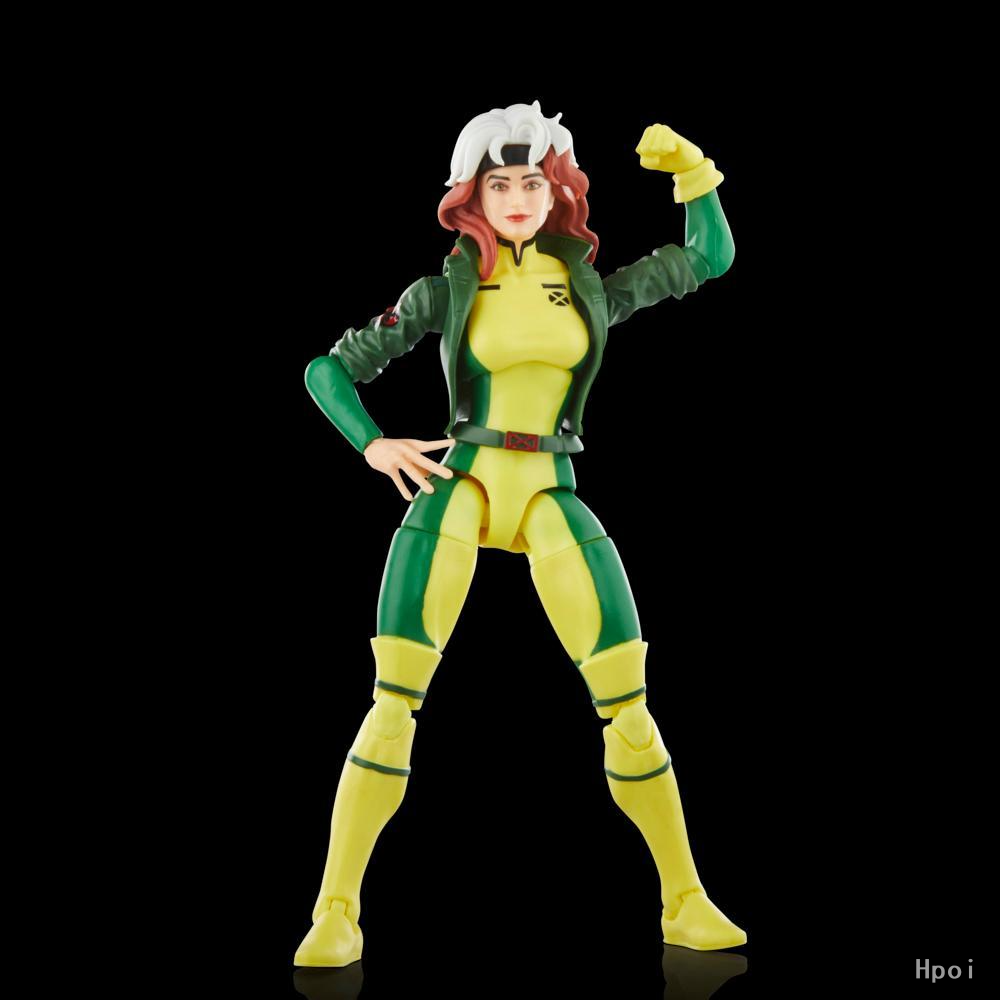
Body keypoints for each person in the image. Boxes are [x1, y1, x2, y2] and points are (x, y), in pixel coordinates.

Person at [297, 101, 744, 967]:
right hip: (461, 487)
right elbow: (329, 368)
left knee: (628, 703)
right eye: (498, 183)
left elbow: (706, 258)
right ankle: (335, 910)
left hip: (549, 491)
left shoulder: (588, 286)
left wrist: (696, 173)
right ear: (470, 195)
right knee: (392, 705)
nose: (516, 198)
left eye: (531, 182)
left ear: (556, 191)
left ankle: (684, 901)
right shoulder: (444, 289)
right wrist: (373, 443)